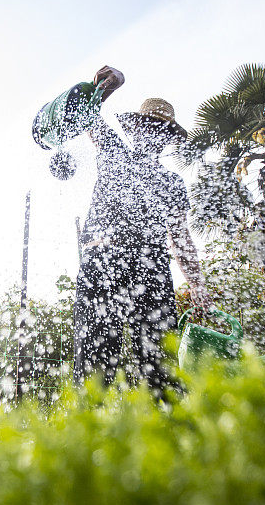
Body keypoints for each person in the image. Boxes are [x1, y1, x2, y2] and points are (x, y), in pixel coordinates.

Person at [73, 65, 211, 395]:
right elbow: (87, 115)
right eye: (149, 126)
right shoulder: (112, 151)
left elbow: (180, 237)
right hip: (101, 260)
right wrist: (103, 87)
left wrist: (198, 283)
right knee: (93, 365)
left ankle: (169, 432)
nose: (154, 134)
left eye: (162, 131)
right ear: (135, 129)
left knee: (159, 365)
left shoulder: (171, 181)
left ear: (167, 140)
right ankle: (85, 438)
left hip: (150, 268)